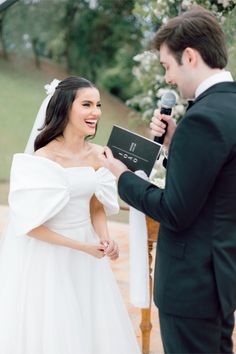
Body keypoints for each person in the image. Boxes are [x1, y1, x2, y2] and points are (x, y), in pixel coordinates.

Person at [100, 6, 236, 354]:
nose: (168, 79)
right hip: (218, 280)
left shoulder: (202, 119)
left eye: (166, 66)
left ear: (189, 56)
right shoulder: (228, 108)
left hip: (191, 286)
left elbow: (174, 210)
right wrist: (177, 144)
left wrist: (123, 175)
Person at [0, 76, 141, 354]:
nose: (96, 112)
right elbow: (30, 227)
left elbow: (95, 206)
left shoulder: (98, 154)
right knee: (58, 330)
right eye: (87, 104)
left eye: (98, 105)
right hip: (50, 258)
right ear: (65, 108)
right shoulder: (41, 160)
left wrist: (104, 238)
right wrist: (82, 247)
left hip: (89, 256)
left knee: (93, 326)